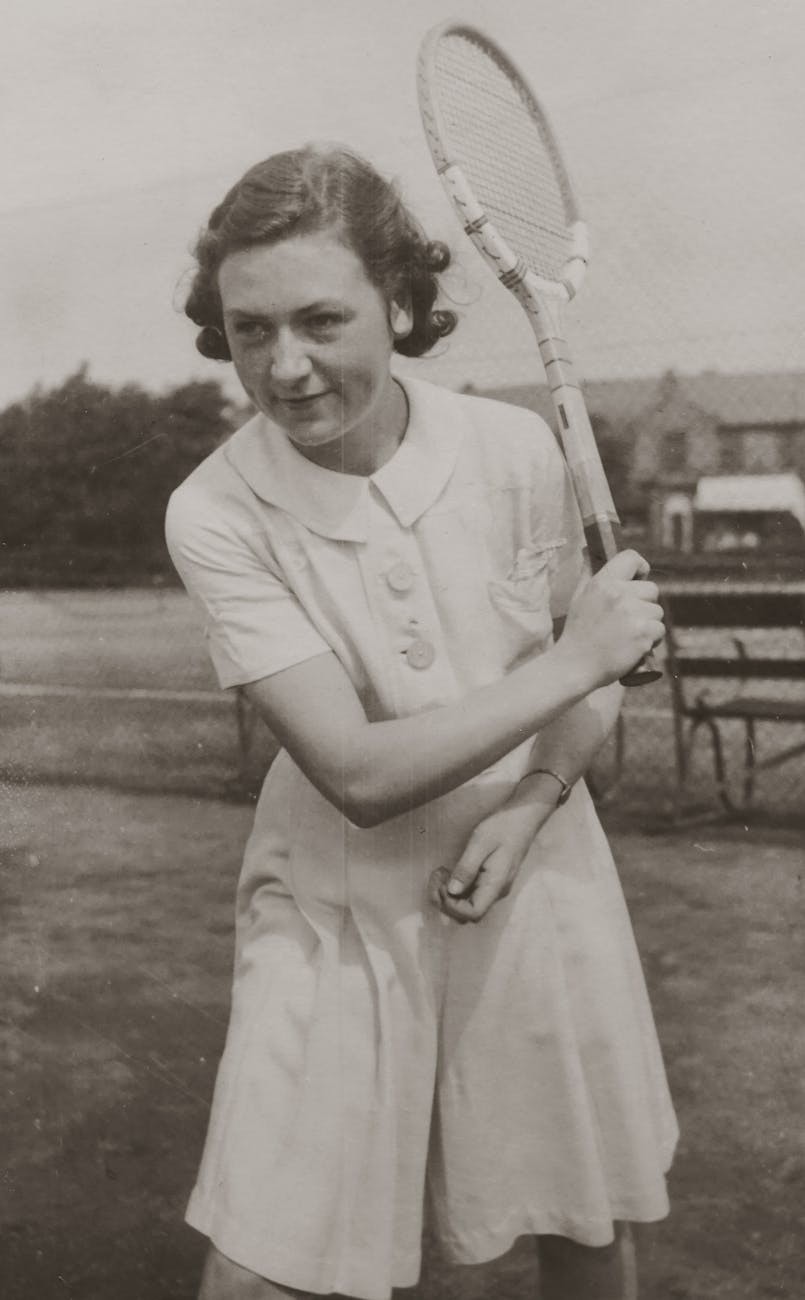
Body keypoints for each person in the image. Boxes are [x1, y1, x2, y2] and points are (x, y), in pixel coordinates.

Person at [165, 144, 677, 1300]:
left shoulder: (514, 450)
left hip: (532, 870)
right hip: (331, 904)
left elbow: (592, 677)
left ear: (399, 303)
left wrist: (537, 798)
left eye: (321, 320)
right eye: (250, 329)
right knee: (258, 1265)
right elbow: (356, 771)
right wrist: (583, 657)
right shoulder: (213, 511)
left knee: (577, 1217)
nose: (284, 366)